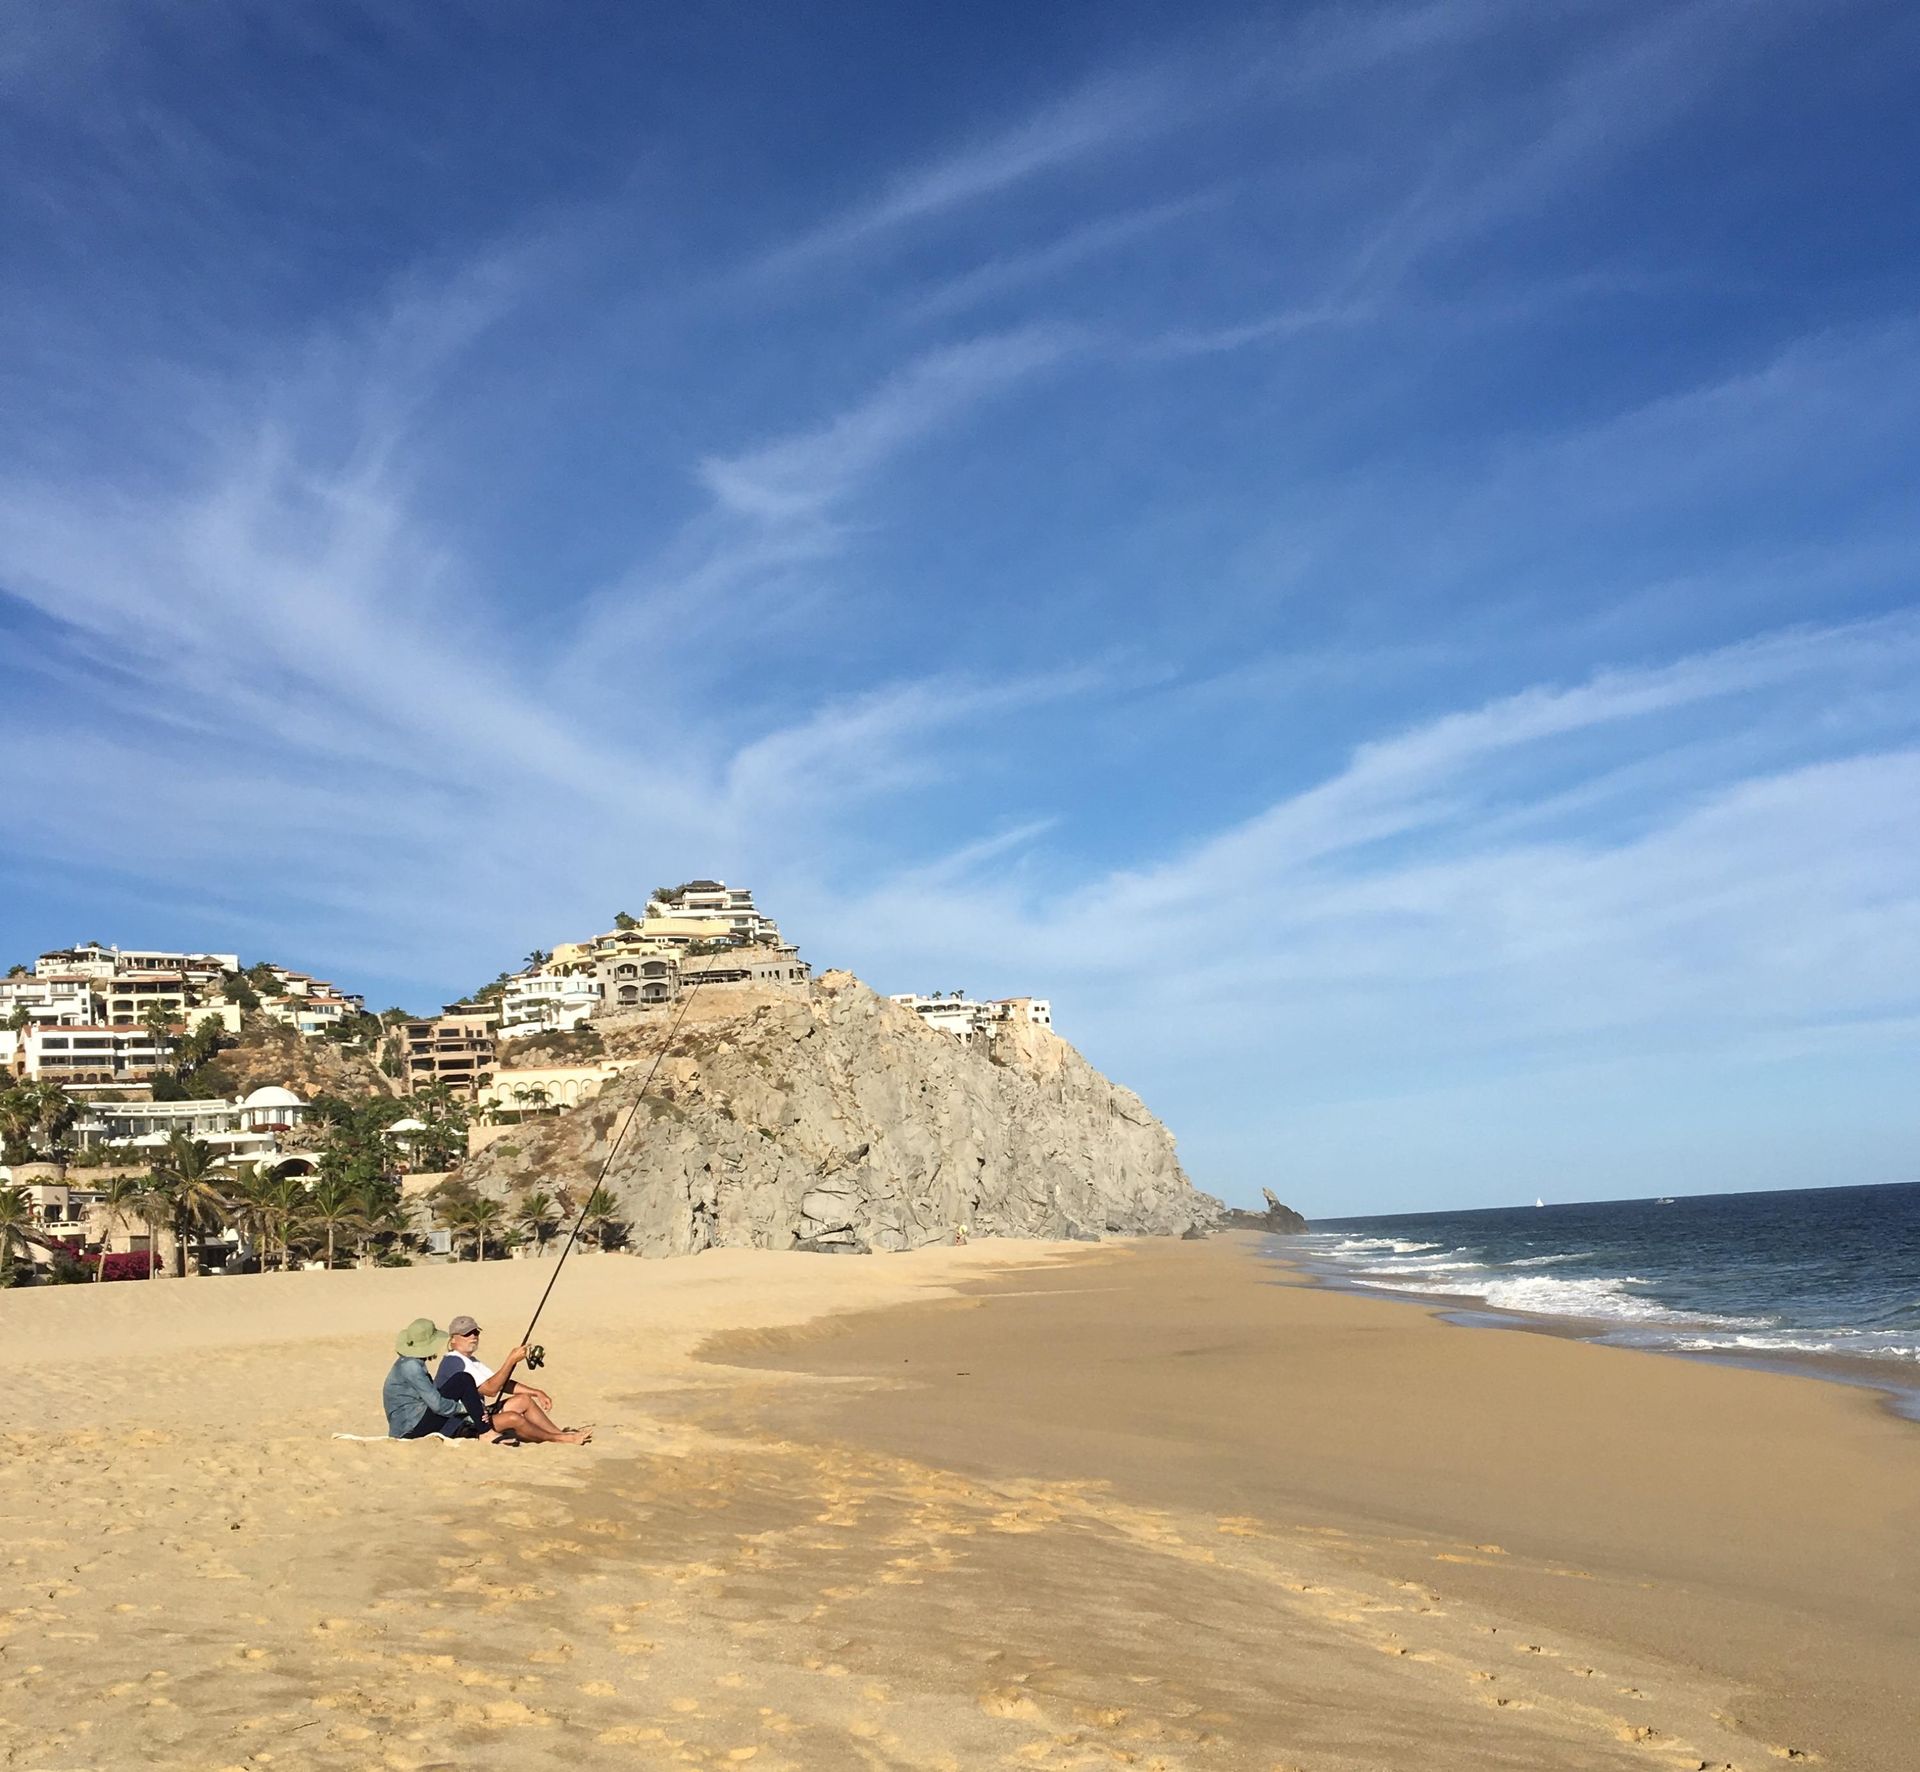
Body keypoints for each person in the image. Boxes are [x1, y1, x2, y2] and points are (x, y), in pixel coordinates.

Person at [436, 1315, 592, 1445]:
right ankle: (558, 1439)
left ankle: (558, 1433)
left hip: (478, 1414)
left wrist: (535, 1392)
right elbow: (491, 1390)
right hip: (462, 1422)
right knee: (513, 1418)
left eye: (476, 1332)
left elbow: (499, 1382)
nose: (473, 1337)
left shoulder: (471, 1361)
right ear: (453, 1339)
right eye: (467, 1334)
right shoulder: (454, 1361)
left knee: (524, 1400)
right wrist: (511, 1361)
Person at [383, 1318, 502, 1441]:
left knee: (462, 1382)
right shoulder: (411, 1367)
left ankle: (481, 1427)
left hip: (412, 1423)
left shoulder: (409, 1363)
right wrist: (466, 1410)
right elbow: (438, 1405)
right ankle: (485, 1432)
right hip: (410, 1430)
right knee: (463, 1380)